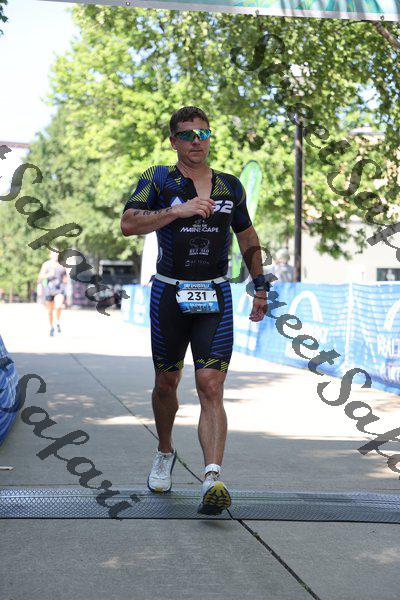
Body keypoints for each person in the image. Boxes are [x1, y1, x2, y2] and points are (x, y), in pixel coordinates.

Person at [120, 106, 268, 515]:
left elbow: (247, 236)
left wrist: (261, 286)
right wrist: (176, 211)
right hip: (169, 294)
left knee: (211, 385)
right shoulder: (158, 179)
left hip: (214, 295)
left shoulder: (229, 186)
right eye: (187, 135)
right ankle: (165, 451)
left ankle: (211, 478)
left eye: (203, 134)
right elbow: (128, 223)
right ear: (174, 141)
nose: (196, 141)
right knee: (166, 383)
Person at [37, 250, 68, 336]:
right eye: (53, 254)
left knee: (58, 306)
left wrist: (65, 281)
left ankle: (57, 322)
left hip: (59, 289)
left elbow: (65, 277)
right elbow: (40, 276)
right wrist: (48, 275)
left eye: (57, 254)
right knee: (50, 311)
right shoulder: (46, 264)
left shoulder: (62, 265)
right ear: (50, 255)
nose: (55, 255)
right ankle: (51, 327)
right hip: (49, 289)